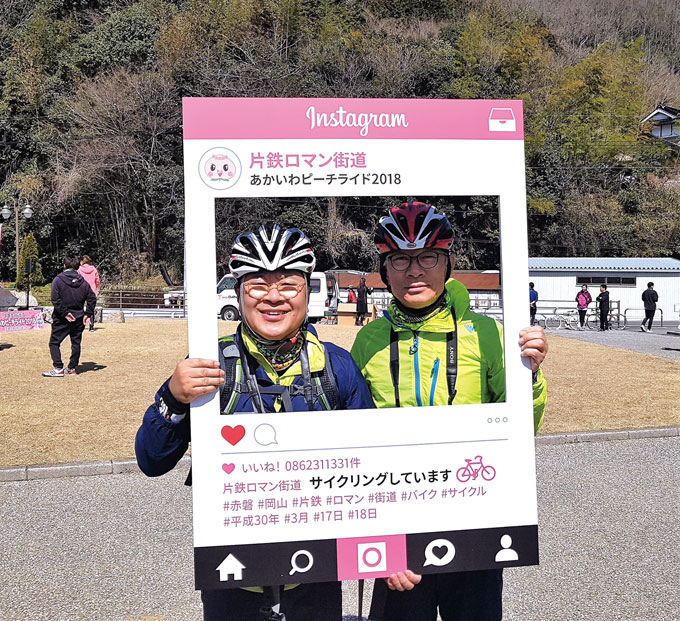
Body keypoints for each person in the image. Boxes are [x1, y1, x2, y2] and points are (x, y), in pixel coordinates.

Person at [135, 224, 374, 621]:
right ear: (239, 290)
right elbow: (151, 460)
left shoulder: (336, 366)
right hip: (232, 576)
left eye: (289, 284)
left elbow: (374, 462)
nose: (274, 297)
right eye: (258, 285)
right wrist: (173, 397)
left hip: (316, 575)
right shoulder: (211, 366)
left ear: (308, 290)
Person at [350, 202, 548, 621]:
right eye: (399, 259)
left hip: (474, 516)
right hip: (398, 524)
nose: (414, 270)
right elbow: (354, 445)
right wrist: (375, 542)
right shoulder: (368, 340)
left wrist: (529, 376)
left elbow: (520, 429)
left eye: (428, 257)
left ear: (448, 263)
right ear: (385, 270)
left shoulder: (489, 333)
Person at [42, 256, 96, 377]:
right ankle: (72, 368)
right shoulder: (83, 281)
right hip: (78, 317)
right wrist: (88, 314)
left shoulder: (58, 280)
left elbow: (55, 299)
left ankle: (58, 367)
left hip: (62, 318)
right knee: (76, 343)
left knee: (54, 343)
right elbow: (92, 298)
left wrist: (65, 313)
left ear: (64, 266)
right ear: (78, 267)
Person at [78, 255, 101, 331]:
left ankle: (81, 324)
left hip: (81, 290)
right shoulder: (94, 269)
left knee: (80, 307)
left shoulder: (80, 269)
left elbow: (78, 279)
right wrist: (95, 287)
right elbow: (97, 280)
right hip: (92, 290)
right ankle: (91, 326)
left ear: (82, 261)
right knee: (91, 308)